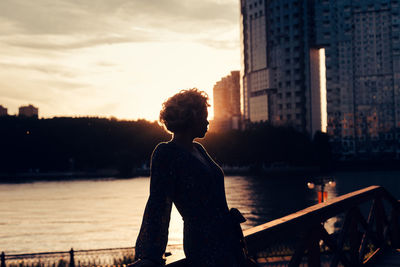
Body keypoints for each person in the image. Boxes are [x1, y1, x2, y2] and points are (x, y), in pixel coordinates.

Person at [133, 89, 244, 267]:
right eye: (205, 116)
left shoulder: (198, 149)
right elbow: (158, 204)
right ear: (191, 118)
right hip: (204, 242)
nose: (208, 122)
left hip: (227, 239)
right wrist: (150, 256)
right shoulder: (165, 152)